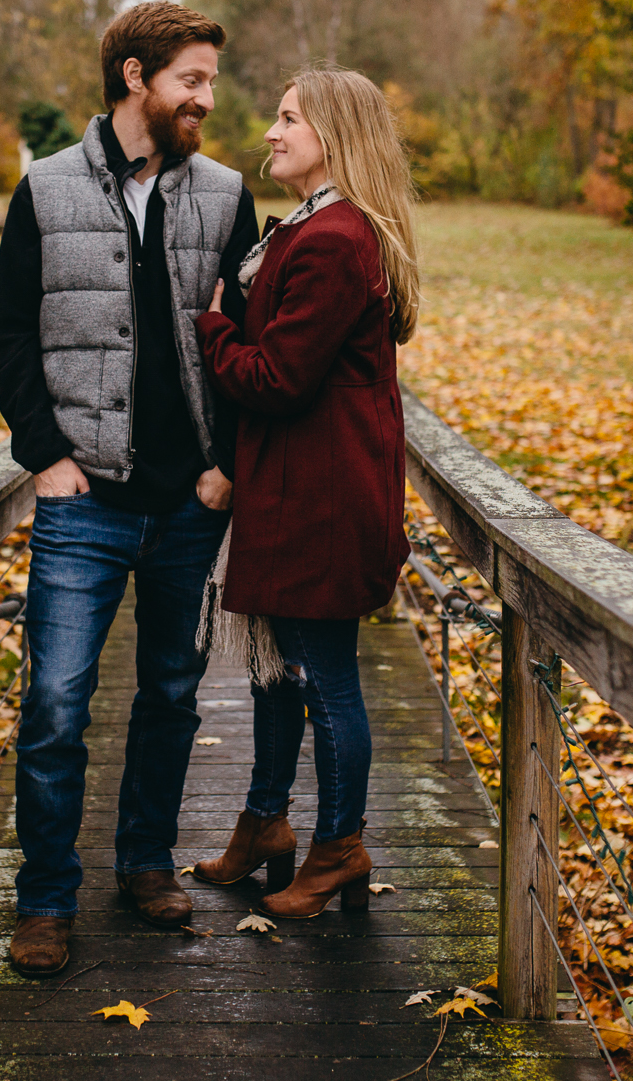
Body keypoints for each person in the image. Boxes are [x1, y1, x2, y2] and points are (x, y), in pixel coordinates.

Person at [0, 2, 260, 975]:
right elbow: (10, 340)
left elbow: (250, 342)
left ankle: (144, 863)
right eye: (193, 79)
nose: (207, 99)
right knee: (57, 701)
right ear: (136, 77)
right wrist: (44, 452)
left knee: (172, 693)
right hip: (84, 500)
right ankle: (46, 900)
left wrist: (226, 465)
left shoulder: (226, 196)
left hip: (189, 501)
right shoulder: (46, 190)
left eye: (213, 83)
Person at [191, 67, 420, 917]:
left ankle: (339, 847)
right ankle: (265, 826)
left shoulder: (334, 239)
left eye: (290, 119)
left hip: (323, 498)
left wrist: (211, 324)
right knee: (273, 675)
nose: (271, 132)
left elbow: (279, 376)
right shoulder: (314, 225)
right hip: (295, 488)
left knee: (324, 679)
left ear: (335, 133)